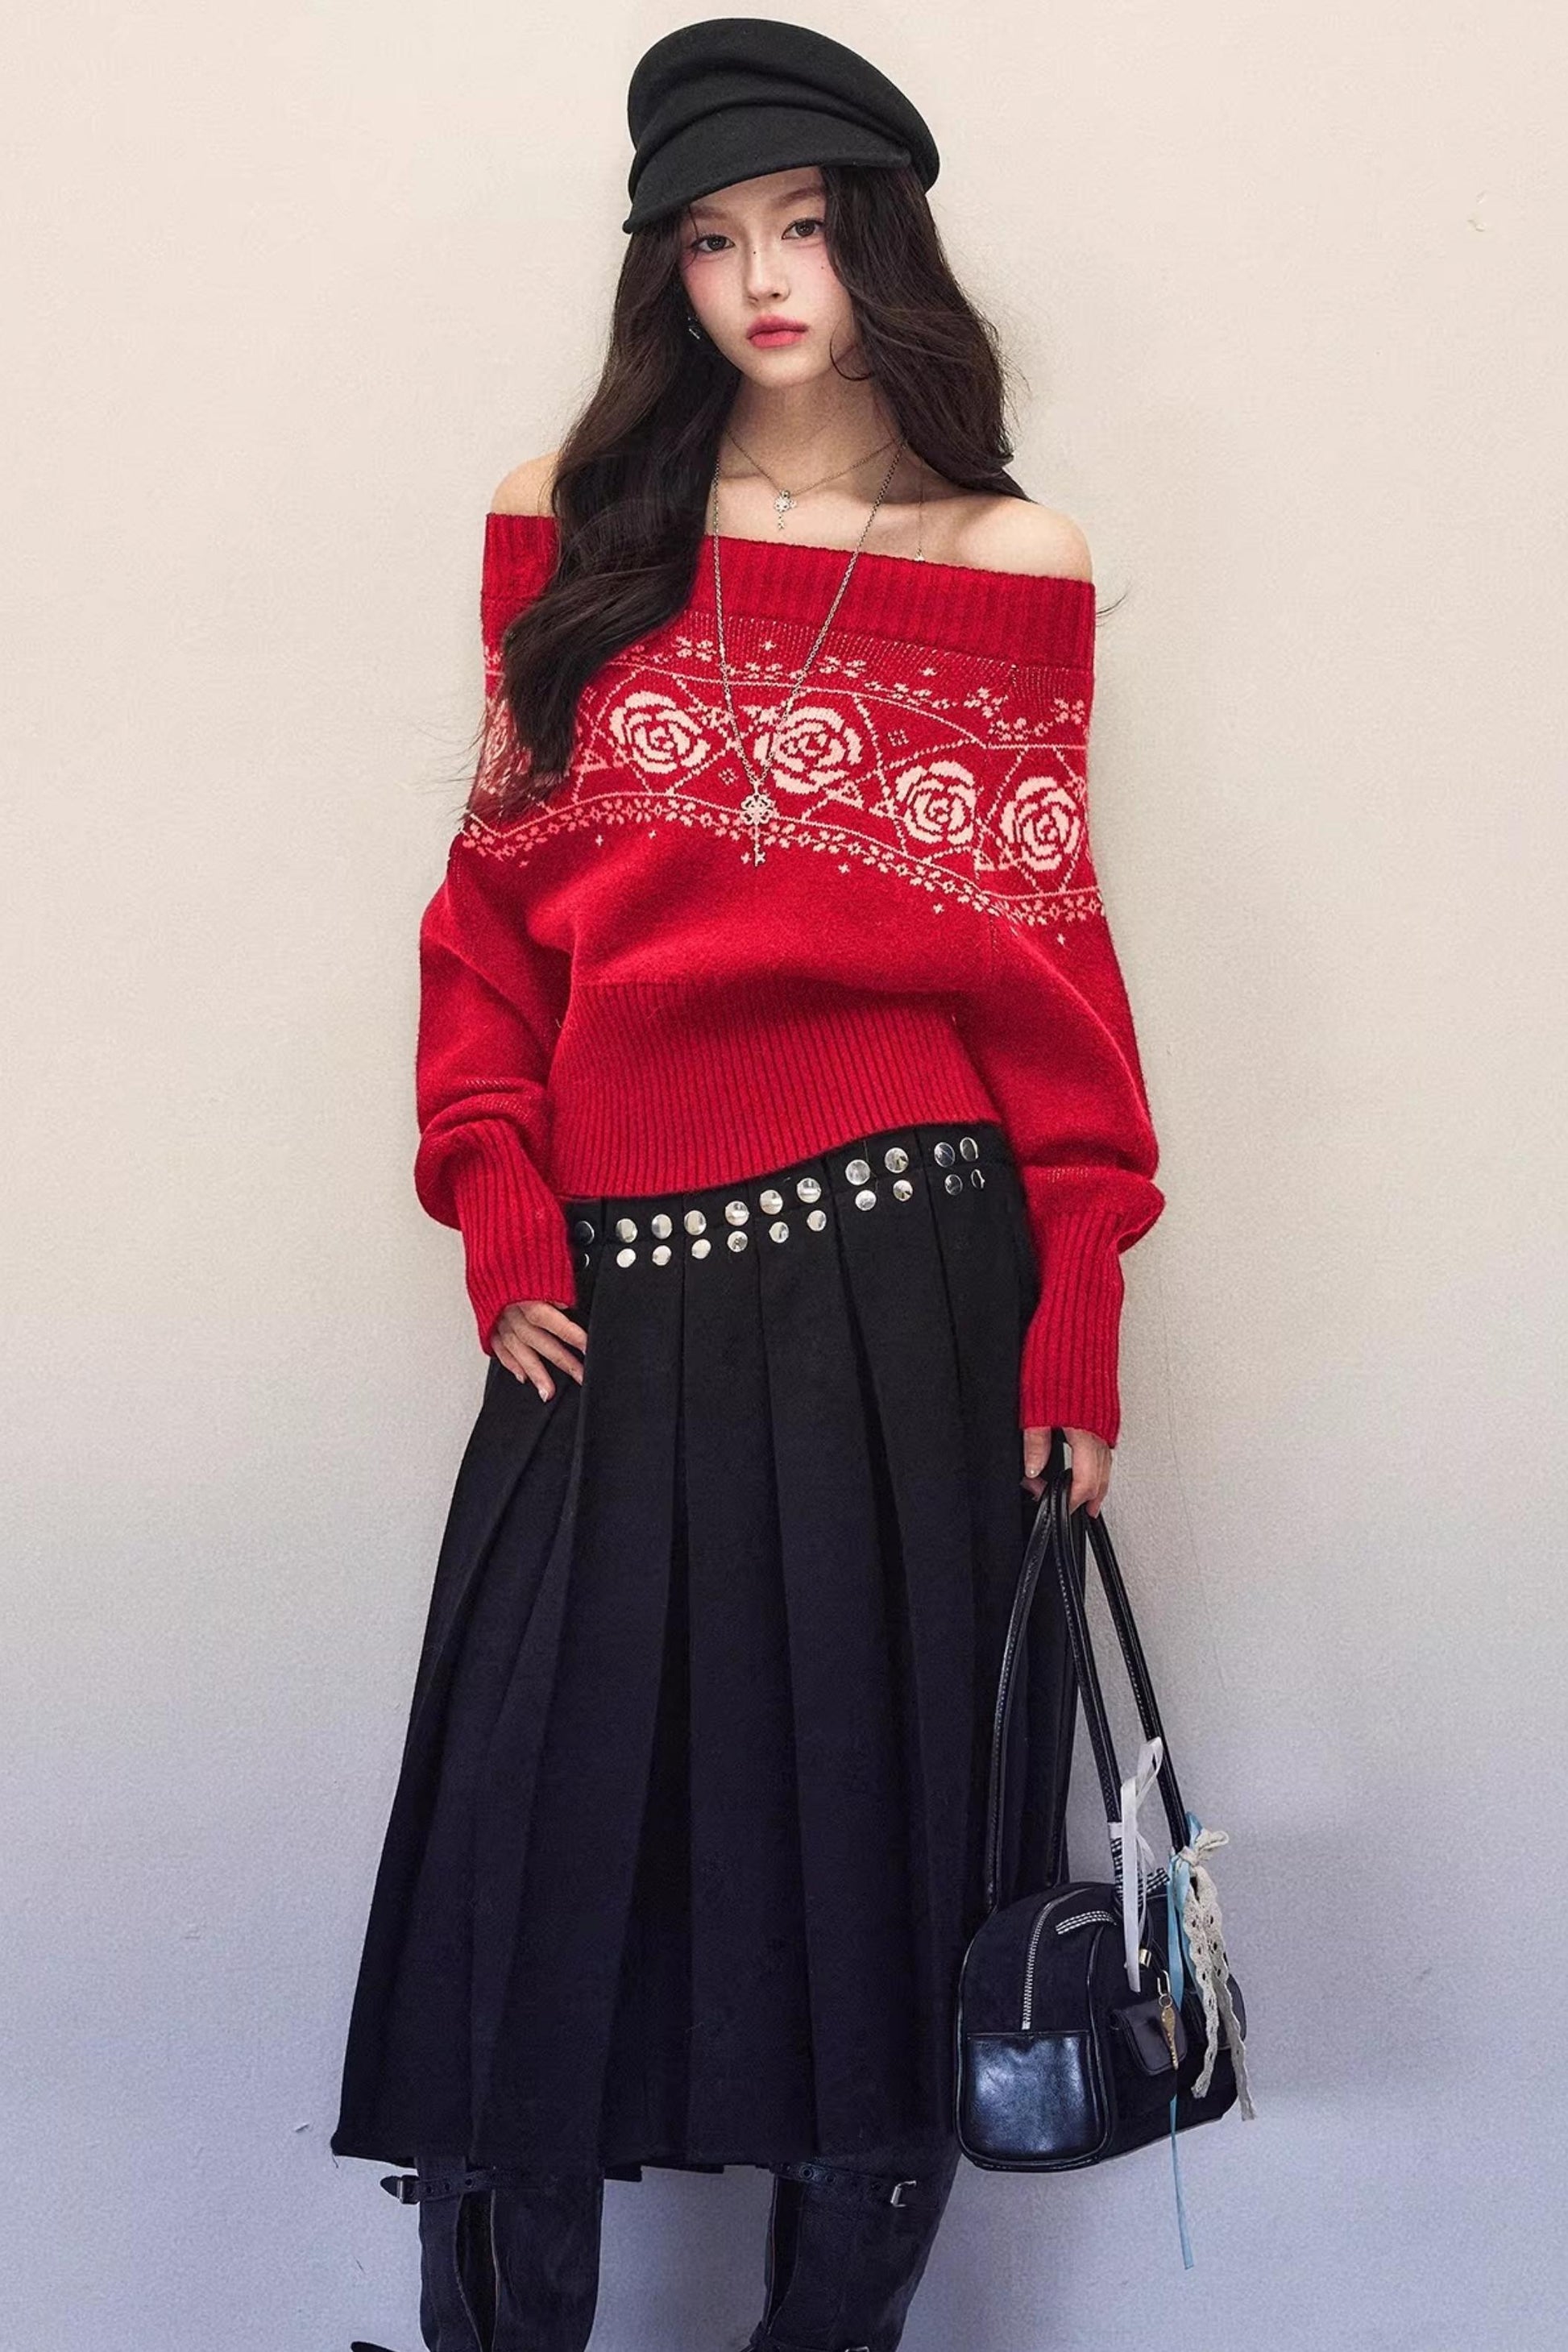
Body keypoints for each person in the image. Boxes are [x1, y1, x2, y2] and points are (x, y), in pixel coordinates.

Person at [330, 19, 1164, 2351]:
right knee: (522, 1891)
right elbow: (489, 918)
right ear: (662, 274)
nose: (761, 282)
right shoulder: (575, 527)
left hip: (911, 1287)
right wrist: (497, 1190)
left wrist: (1077, 1302)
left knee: (882, 1884)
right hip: (609, 1284)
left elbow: (1049, 974)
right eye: (708, 241)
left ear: (883, 242)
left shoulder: (1011, 560)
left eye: (801, 228)